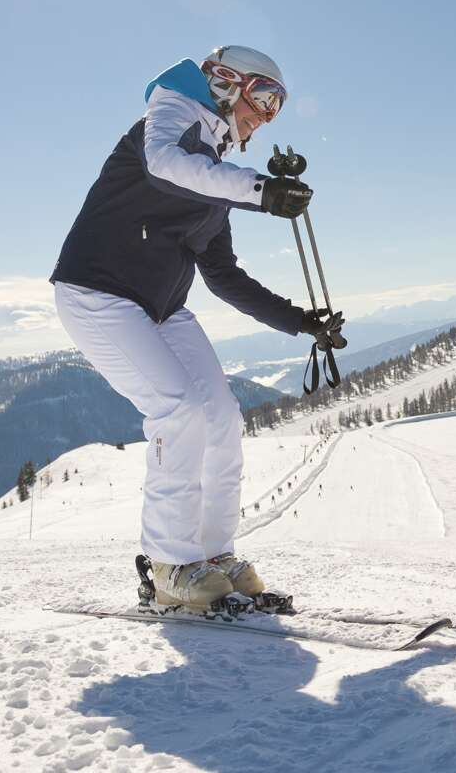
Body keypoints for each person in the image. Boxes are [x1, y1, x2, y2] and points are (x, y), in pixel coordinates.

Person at [51, 46, 345, 609]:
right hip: (98, 293)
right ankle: (168, 565)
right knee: (178, 409)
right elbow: (163, 163)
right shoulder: (172, 111)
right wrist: (259, 190)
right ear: (226, 84)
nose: (265, 115)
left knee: (222, 418)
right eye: (263, 98)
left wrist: (302, 323)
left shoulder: (212, 171)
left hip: (162, 309)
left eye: (277, 107)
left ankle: (211, 554)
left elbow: (223, 274)